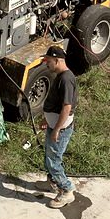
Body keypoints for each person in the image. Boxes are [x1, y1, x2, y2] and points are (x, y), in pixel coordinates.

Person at [38, 45, 79, 208]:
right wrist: (47, 120)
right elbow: (55, 103)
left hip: (59, 129)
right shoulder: (61, 76)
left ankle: (67, 190)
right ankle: (53, 182)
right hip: (54, 124)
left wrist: (56, 129)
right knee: (48, 156)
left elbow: (67, 107)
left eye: (48, 61)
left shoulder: (66, 79)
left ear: (57, 60)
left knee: (54, 161)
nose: (46, 64)